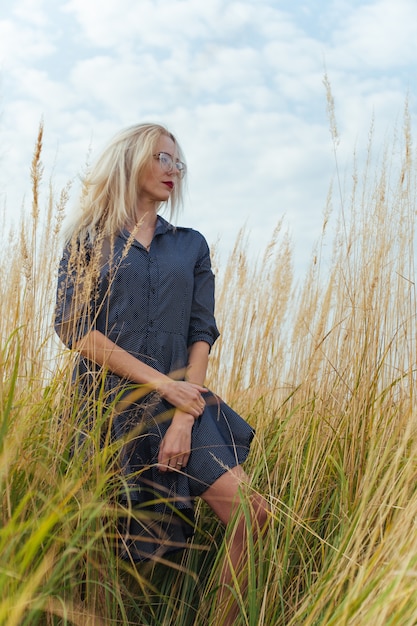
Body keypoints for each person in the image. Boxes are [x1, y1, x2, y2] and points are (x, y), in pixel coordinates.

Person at [54, 122, 269, 623]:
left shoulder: (191, 245)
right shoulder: (88, 241)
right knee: (103, 540)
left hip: (184, 406)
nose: (175, 170)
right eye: (163, 158)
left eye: (179, 162)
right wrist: (161, 385)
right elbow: (74, 328)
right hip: (107, 405)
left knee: (251, 514)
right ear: (131, 161)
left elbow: (202, 330)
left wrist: (183, 412)